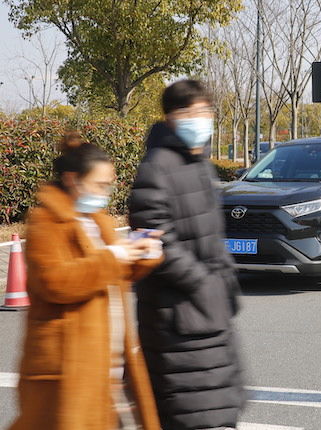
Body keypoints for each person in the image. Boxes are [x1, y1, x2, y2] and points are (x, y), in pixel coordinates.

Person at [10, 132, 163, 430]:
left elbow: (111, 273)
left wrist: (142, 254)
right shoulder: (45, 221)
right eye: (99, 185)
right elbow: (57, 281)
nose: (105, 193)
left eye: (108, 185)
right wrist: (116, 256)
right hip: (68, 366)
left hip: (104, 361)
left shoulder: (96, 218)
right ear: (72, 180)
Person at [128, 80, 244, 430]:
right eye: (192, 112)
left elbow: (211, 235)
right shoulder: (157, 166)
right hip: (176, 319)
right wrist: (205, 285)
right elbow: (154, 238)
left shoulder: (198, 163)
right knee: (193, 414)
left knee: (218, 409)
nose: (201, 120)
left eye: (206, 112)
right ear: (171, 117)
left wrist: (226, 282)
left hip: (209, 317)